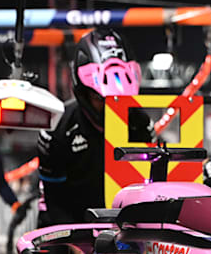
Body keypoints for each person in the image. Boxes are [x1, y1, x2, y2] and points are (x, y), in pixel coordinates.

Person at [38, 27, 140, 224]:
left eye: (119, 100)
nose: (110, 108)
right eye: (100, 99)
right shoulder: (58, 127)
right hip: (68, 223)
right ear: (83, 92)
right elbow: (54, 200)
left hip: (124, 229)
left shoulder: (140, 124)